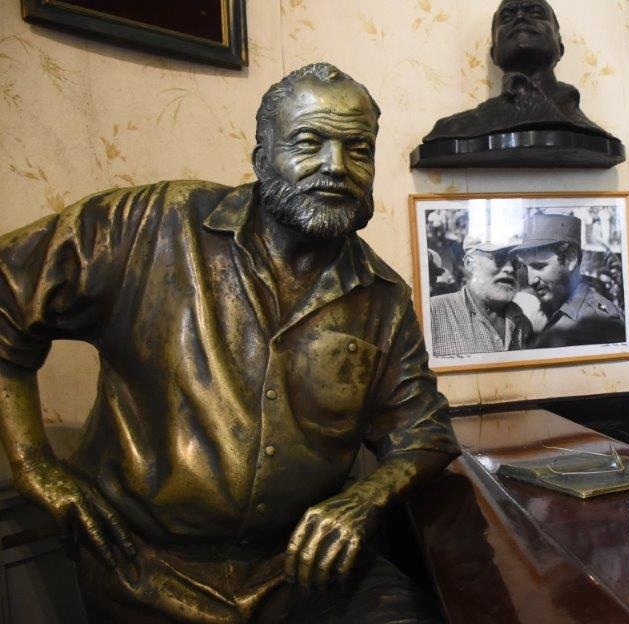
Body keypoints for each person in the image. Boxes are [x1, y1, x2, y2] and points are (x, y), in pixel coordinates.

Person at [0, 62, 459, 623]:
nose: (336, 167)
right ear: (261, 155)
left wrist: (364, 500)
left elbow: (424, 433)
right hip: (143, 576)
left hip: (303, 578)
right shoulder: (150, 224)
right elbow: (7, 292)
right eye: (309, 142)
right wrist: (31, 462)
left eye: (358, 149)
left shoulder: (383, 297)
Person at [421, 0, 618, 144]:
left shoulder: (588, 131)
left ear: (561, 48)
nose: (521, 18)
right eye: (507, 17)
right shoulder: (456, 128)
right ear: (493, 54)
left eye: (536, 13)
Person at [512, 214, 626, 348]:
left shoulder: (598, 323)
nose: (531, 280)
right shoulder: (552, 309)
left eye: (539, 266)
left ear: (570, 259)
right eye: (526, 267)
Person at [429, 237, 532, 356]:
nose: (509, 268)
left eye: (515, 263)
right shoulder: (433, 313)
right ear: (470, 263)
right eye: (499, 257)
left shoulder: (523, 324)